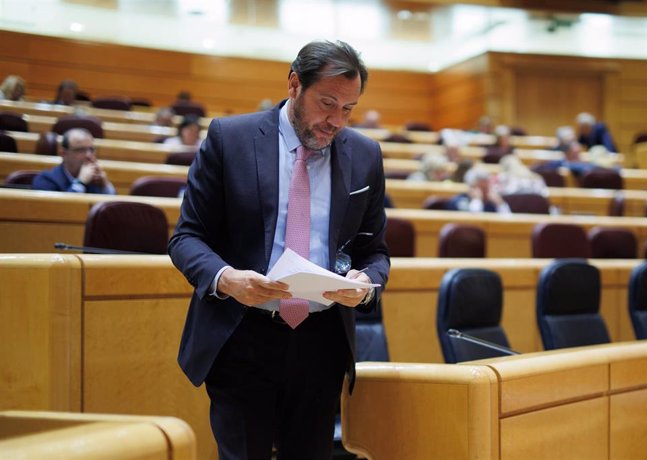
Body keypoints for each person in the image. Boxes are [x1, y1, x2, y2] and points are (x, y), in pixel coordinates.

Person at [168, 40, 390, 460]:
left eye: (348, 109)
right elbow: (186, 237)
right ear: (293, 84)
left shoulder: (365, 154)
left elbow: (374, 252)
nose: (336, 120)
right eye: (327, 103)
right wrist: (226, 278)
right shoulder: (229, 138)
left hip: (322, 343)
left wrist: (367, 282)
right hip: (243, 335)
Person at [32, 128, 115, 194]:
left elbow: (111, 212)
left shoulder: (94, 180)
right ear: (63, 154)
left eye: (91, 149)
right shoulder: (46, 180)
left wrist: (105, 185)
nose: (88, 155)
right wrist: (80, 183)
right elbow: (59, 211)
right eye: (81, 150)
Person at [446, 166, 511, 213]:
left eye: (487, 188)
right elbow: (474, 222)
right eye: (482, 189)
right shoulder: (459, 202)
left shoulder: (492, 203)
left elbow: (509, 225)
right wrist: (477, 200)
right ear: (471, 188)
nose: (485, 192)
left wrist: (501, 204)